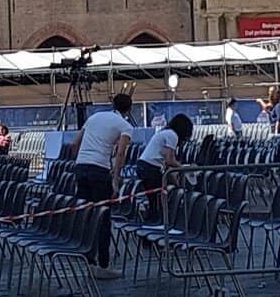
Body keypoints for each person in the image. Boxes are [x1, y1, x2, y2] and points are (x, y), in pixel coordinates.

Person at [71, 93, 134, 280]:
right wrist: (115, 179)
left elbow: (75, 144)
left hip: (81, 167)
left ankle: (88, 261)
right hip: (99, 170)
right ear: (129, 109)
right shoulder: (125, 126)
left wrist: (80, 162)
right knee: (103, 218)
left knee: (87, 216)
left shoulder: (94, 117)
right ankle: (103, 265)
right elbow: (121, 153)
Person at [137, 114, 194, 220]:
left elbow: (167, 163)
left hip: (144, 165)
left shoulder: (164, 133)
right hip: (151, 168)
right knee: (157, 200)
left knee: (154, 200)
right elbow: (170, 160)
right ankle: (157, 221)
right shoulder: (172, 136)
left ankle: (154, 220)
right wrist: (182, 167)